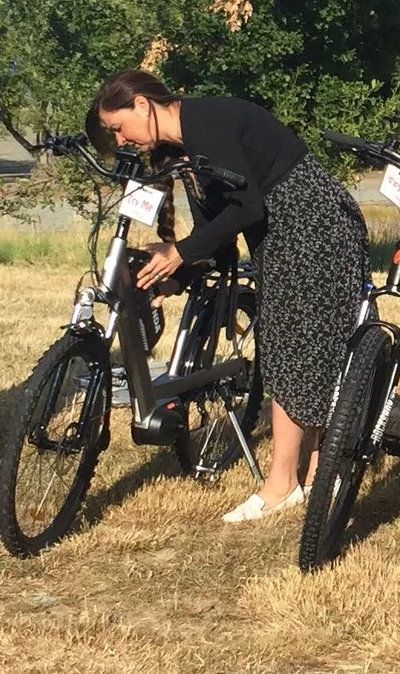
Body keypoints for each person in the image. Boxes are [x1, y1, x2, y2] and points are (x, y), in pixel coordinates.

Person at [86, 71, 368, 525]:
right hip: (281, 235)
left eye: (119, 127)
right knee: (289, 350)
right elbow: (218, 232)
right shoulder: (185, 153)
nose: (121, 139)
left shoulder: (207, 122)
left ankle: (290, 481)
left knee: (302, 350)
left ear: (143, 105)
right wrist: (175, 277)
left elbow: (247, 207)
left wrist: (180, 253)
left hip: (317, 227)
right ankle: (306, 475)